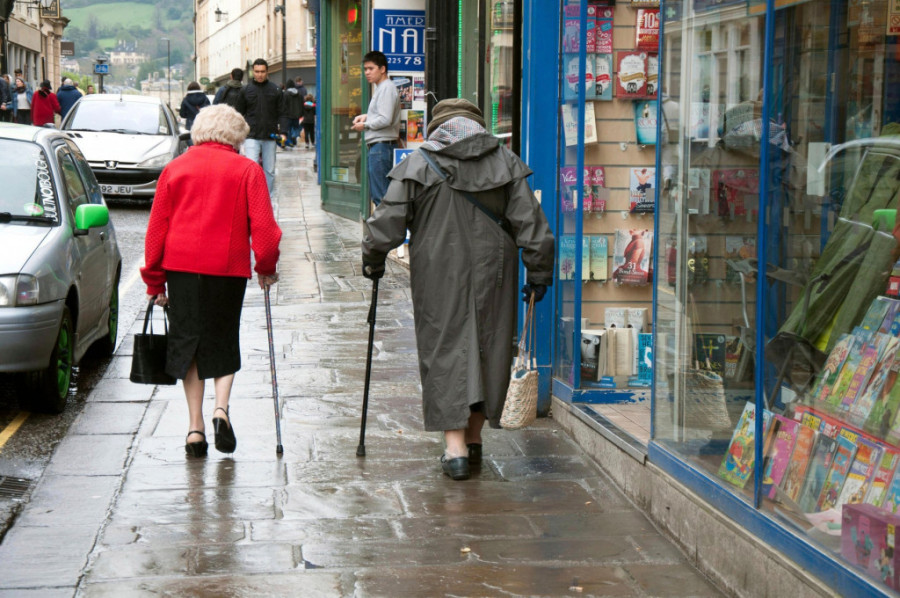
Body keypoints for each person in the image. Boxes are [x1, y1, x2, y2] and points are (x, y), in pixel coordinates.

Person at [361, 98, 555, 481]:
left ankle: (454, 449)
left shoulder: (418, 163)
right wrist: (538, 273)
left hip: (438, 272)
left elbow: (386, 221)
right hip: (494, 271)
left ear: (438, 128)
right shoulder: (504, 162)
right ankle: (475, 438)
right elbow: (533, 228)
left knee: (444, 345)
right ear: (478, 126)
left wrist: (373, 257)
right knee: (490, 345)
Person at [141, 104, 282, 458]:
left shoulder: (174, 169)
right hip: (227, 268)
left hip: (181, 268)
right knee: (222, 336)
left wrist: (155, 282)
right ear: (235, 136)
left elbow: (156, 231)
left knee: (188, 341)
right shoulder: (247, 170)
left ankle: (194, 428)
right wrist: (265, 266)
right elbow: (264, 230)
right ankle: (221, 409)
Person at [351, 50, 400, 206]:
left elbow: (386, 119)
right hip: (380, 147)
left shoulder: (386, 88)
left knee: (381, 196)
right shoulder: (382, 87)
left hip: (381, 147)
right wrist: (366, 116)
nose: (367, 72)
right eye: (365, 69)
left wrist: (365, 125)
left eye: (371, 68)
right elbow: (383, 114)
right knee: (380, 194)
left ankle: (384, 230)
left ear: (382, 69)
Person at [234, 59, 284, 193]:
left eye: (262, 72)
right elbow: (238, 113)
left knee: (270, 170)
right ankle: (253, 198)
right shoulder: (245, 90)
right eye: (257, 71)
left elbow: (282, 112)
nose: (259, 74)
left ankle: (268, 199)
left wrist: (283, 132)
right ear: (252, 72)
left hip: (270, 136)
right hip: (251, 136)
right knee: (251, 169)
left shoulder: (275, 90)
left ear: (267, 72)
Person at [281, 79, 302, 146]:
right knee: (296, 127)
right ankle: (296, 136)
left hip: (288, 115)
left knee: (289, 129)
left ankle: (290, 142)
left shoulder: (285, 94)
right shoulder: (299, 94)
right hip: (297, 115)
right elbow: (301, 104)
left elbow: (284, 105)